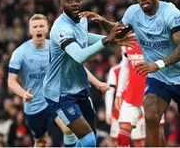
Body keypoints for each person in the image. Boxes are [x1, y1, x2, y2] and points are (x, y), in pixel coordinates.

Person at [79, 0, 180, 147]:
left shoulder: (171, 12)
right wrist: (102, 21)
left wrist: (158, 64)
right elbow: (119, 34)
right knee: (150, 117)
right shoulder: (133, 13)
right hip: (158, 77)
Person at [43, 0, 135, 147]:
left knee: (89, 140)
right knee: (89, 140)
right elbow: (79, 56)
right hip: (60, 93)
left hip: (79, 87)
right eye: (69, 1)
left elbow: (85, 37)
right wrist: (107, 41)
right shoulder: (60, 29)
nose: (74, 4)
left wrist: (111, 39)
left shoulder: (82, 19)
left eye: (78, 0)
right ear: (61, 4)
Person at [8, 14, 110, 147]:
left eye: (41, 26)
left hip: (55, 96)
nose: (38, 29)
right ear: (30, 30)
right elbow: (11, 81)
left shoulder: (57, 45)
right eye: (35, 27)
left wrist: (97, 83)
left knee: (68, 130)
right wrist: (23, 94)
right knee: (40, 141)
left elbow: (75, 67)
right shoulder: (20, 52)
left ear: (47, 28)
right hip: (34, 103)